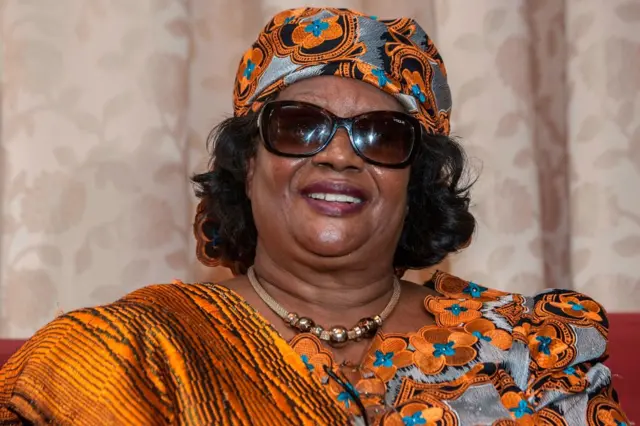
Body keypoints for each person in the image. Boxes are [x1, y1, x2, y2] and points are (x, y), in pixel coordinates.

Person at [0, 7, 628, 426]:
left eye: (380, 136)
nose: (336, 154)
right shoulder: (132, 355)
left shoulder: (531, 352)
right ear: (246, 166)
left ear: (415, 180)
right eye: (300, 127)